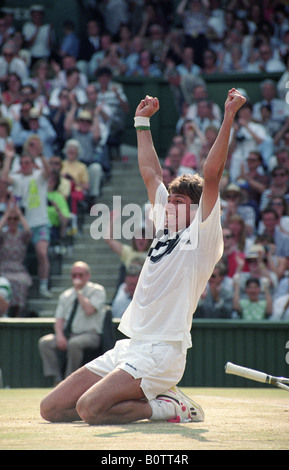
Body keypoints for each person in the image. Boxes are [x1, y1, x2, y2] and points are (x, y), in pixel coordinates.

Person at [40, 88, 246, 426]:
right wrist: (141, 122)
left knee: (91, 409)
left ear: (197, 211)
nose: (169, 206)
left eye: (179, 203)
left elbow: (212, 174)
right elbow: (151, 173)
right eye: (171, 200)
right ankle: (154, 399)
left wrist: (228, 117)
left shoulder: (202, 236)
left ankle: (171, 407)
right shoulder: (166, 225)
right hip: (130, 347)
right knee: (52, 409)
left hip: (162, 352)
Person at [38, 261, 106, 384]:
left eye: (80, 275)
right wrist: (59, 336)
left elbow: (89, 310)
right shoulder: (66, 295)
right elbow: (59, 319)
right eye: (74, 275)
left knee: (74, 344)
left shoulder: (97, 290)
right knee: (45, 342)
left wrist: (79, 292)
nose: (77, 278)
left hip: (90, 334)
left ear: (87, 275)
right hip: (69, 334)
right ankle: (56, 378)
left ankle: (69, 380)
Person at [1, 146, 52, 299]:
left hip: (40, 222)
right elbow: (3, 179)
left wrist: (41, 155)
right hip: (21, 225)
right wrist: (9, 158)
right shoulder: (17, 179)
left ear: (32, 163)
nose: (24, 165)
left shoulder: (38, 176)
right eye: (22, 163)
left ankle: (43, 285)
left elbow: (48, 172)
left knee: (42, 252)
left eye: (27, 162)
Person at [0, 204, 32, 317]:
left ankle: (17, 315)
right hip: (4, 268)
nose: (12, 221)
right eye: (10, 219)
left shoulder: (22, 235)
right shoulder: (3, 235)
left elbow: (28, 232)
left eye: (15, 219)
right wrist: (6, 215)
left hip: (18, 269)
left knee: (21, 282)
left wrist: (20, 215)